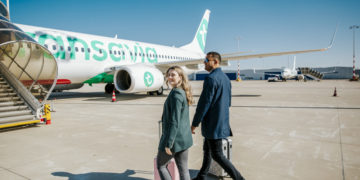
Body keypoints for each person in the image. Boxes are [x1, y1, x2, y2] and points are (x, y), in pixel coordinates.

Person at [191, 52, 245, 180]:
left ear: (215, 62)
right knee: (207, 151)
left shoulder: (211, 78)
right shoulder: (226, 79)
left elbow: (203, 105)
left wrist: (194, 124)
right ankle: (201, 176)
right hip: (222, 121)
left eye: (206, 60)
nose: (203, 62)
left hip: (213, 124)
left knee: (217, 155)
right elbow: (229, 102)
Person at [157, 66, 194, 180]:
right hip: (184, 139)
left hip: (174, 140)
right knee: (183, 170)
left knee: (161, 166)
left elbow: (174, 121)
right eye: (168, 75)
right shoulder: (181, 92)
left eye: (173, 75)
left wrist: (169, 143)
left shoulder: (176, 95)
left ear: (180, 77)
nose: (169, 77)